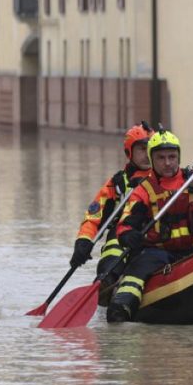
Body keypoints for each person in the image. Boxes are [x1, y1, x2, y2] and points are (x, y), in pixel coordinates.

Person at [106, 130, 193, 322]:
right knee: (138, 269)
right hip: (159, 252)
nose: (168, 163)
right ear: (152, 159)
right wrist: (129, 236)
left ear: (179, 156)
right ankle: (121, 307)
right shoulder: (143, 190)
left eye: (172, 157)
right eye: (161, 158)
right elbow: (125, 226)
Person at [70, 122, 153, 305]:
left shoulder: (165, 177)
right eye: (141, 149)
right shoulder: (117, 184)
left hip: (154, 235)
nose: (147, 154)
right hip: (124, 236)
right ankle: (105, 281)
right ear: (129, 153)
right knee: (115, 241)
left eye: (150, 148)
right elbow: (94, 217)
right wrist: (83, 242)